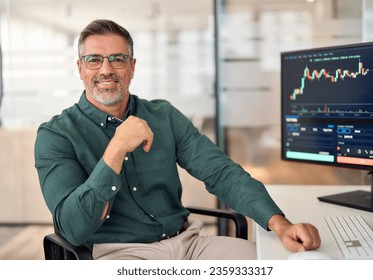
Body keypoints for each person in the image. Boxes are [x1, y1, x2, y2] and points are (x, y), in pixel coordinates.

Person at [34, 19, 320, 260]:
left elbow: (220, 172)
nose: (106, 70)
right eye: (94, 60)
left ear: (132, 67)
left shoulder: (164, 115)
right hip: (119, 253)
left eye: (118, 59)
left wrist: (279, 224)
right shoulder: (56, 135)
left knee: (272, 264)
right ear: (81, 68)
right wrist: (117, 148)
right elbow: (72, 228)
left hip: (190, 244)